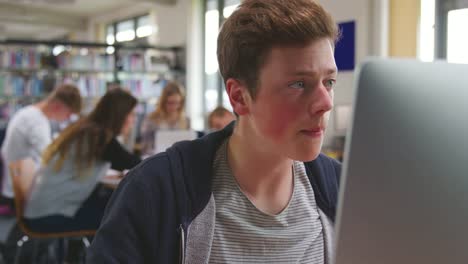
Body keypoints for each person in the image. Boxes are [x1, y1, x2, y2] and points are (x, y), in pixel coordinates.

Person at [88, 0, 341, 262]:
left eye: (329, 82)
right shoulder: (155, 191)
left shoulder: (340, 188)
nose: (326, 103)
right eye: (299, 84)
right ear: (240, 97)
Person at [22, 87, 141, 232]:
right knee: (124, 216)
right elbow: (138, 165)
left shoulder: (89, 129)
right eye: (131, 114)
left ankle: (84, 253)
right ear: (120, 115)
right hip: (49, 215)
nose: (134, 120)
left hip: (43, 209)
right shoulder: (98, 136)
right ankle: (94, 254)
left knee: (115, 205)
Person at [0, 83, 82, 210]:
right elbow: (50, 156)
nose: (68, 118)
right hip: (21, 191)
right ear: (57, 107)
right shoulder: (35, 121)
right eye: (69, 113)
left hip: (19, 183)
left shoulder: (30, 113)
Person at [140, 81, 190, 155]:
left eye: (177, 103)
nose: (174, 107)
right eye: (170, 103)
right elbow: (145, 147)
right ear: (163, 102)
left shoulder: (185, 120)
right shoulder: (152, 119)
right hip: (157, 159)